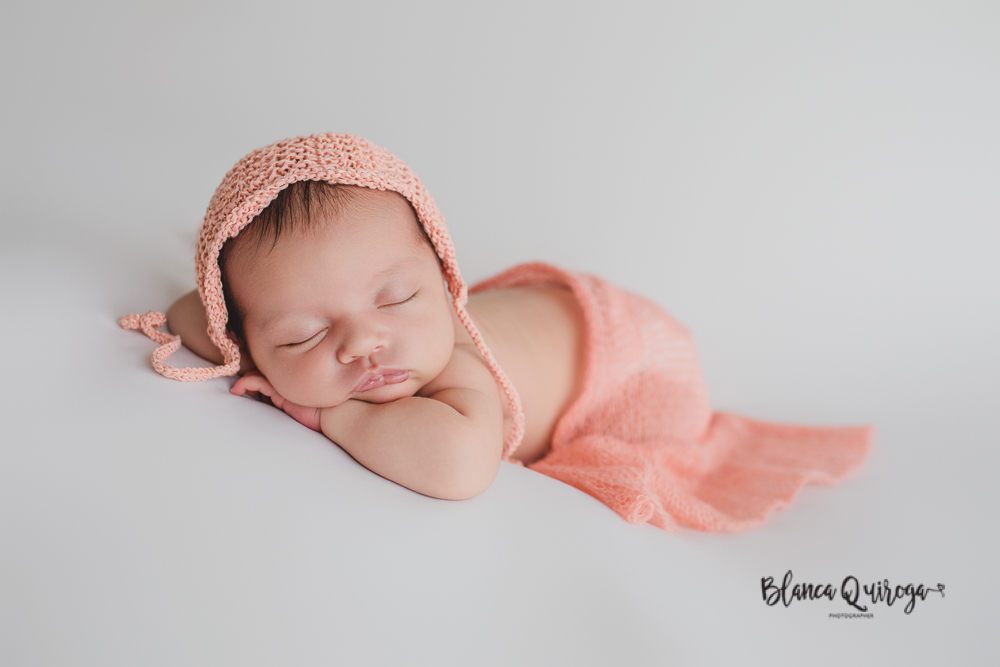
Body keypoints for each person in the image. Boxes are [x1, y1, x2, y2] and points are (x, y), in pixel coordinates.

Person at [121, 133, 871, 531]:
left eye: (397, 296)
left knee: (661, 426)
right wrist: (240, 338)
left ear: (443, 277)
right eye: (303, 336)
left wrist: (326, 408)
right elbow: (200, 313)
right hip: (559, 316)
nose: (362, 344)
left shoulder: (454, 371)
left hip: (634, 363)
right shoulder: (309, 322)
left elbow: (458, 464)